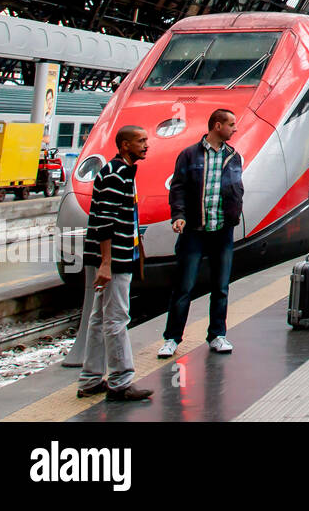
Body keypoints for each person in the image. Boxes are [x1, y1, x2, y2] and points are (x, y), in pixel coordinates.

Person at [158, 109, 244, 358]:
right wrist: (179, 215)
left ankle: (217, 334)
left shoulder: (233, 156)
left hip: (222, 230)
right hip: (194, 231)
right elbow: (178, 188)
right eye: (231, 124)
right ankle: (172, 338)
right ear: (217, 126)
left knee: (221, 286)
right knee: (183, 287)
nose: (234, 129)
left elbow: (236, 187)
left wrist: (234, 213)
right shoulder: (189, 155)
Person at [78, 125, 152, 403]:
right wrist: (106, 263)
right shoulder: (116, 174)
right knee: (117, 319)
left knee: (99, 319)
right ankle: (121, 381)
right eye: (140, 141)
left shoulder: (121, 172)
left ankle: (90, 378)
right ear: (124, 146)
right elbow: (105, 222)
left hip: (117, 256)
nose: (146, 145)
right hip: (115, 260)